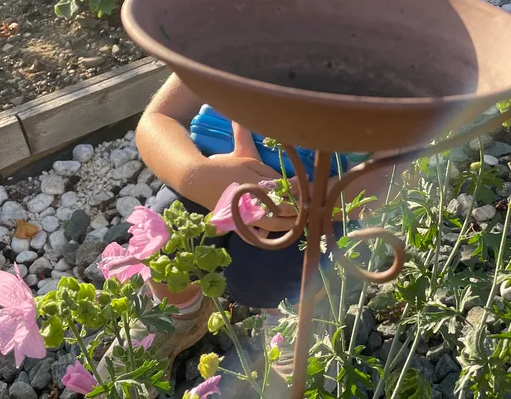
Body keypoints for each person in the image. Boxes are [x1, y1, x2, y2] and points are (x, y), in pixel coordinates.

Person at [129, 74, 395, 377]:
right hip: (211, 175)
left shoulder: (385, 62)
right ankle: (178, 312)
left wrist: (320, 198)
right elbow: (159, 116)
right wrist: (194, 175)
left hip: (308, 207)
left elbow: (398, 172)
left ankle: (289, 318)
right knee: (164, 237)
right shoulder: (225, 32)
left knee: (285, 271)